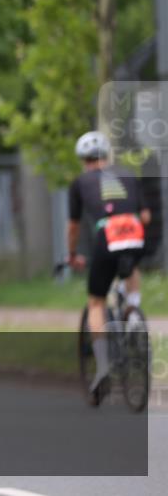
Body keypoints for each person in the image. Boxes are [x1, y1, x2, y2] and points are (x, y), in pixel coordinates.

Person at [66, 130, 150, 402]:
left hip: (105, 237)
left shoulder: (80, 183)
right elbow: (146, 215)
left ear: (83, 158)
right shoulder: (127, 175)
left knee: (96, 302)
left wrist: (72, 254)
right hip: (134, 233)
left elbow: (73, 227)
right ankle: (134, 317)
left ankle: (102, 366)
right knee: (130, 267)